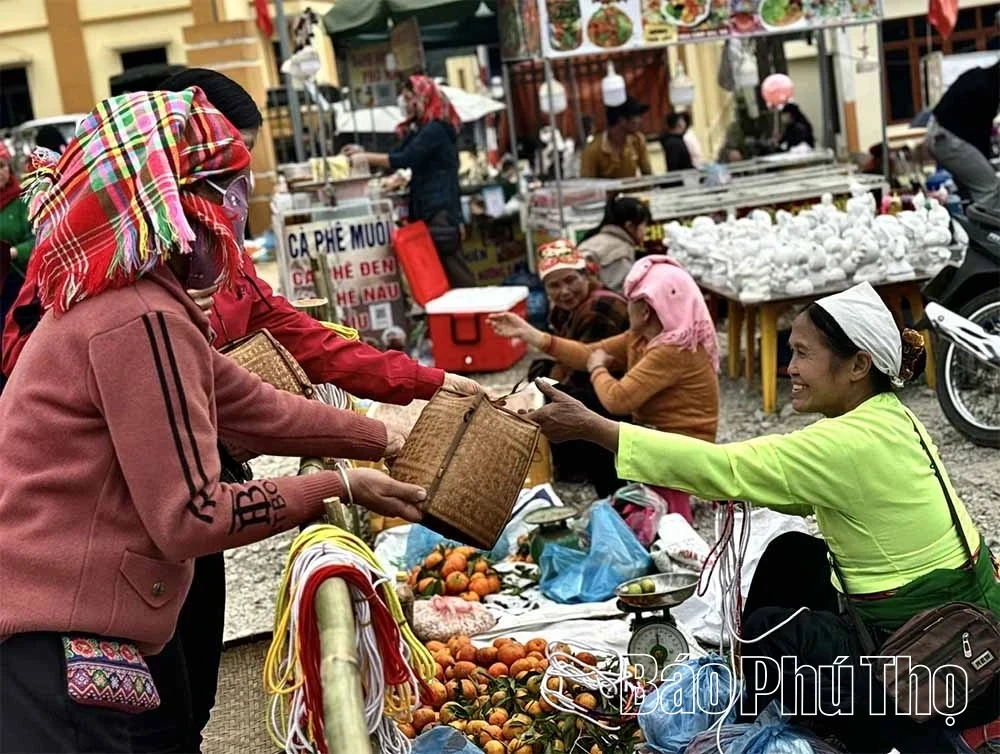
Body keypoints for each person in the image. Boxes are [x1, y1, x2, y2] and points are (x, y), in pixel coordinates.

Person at [0, 68, 479, 754]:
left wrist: (381, 437)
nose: (236, 206)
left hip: (74, 639)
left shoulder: (133, 298)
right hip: (64, 658)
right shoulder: (135, 317)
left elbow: (243, 403)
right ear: (173, 197)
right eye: (224, 186)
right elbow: (191, 516)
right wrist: (334, 485)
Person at [525, 281, 1000, 753]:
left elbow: (725, 466)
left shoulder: (846, 443)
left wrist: (597, 429)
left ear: (858, 365)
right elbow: (802, 492)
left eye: (802, 354)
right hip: (957, 635)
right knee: (791, 553)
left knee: (769, 630)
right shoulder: (891, 416)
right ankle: (758, 702)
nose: (789, 368)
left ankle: (838, 734)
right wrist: (750, 484)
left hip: (935, 676)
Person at [490, 255, 719, 519]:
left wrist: (598, 367)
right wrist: (529, 333)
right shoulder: (641, 336)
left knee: (585, 416)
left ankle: (620, 501)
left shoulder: (672, 349)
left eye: (631, 302)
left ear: (645, 311)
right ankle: (614, 494)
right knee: (562, 394)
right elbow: (587, 352)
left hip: (682, 447)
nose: (626, 306)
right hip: (655, 432)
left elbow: (617, 399)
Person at [516, 239, 629, 496]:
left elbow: (582, 366)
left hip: (616, 398)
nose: (564, 291)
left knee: (554, 396)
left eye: (570, 280)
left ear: (587, 275)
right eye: (554, 285)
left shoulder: (601, 307)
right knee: (541, 376)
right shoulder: (565, 311)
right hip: (597, 385)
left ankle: (587, 466)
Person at [346, 75, 476, 289]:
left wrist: (367, 158)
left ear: (423, 97)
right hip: (428, 209)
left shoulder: (435, 129)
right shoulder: (421, 128)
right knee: (438, 273)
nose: (405, 104)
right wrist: (363, 153)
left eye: (408, 98)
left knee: (454, 272)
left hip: (440, 210)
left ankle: (478, 314)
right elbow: (397, 154)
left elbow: (405, 159)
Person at [927, 60, 1000, 210]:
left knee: (970, 186)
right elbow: (980, 134)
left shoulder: (976, 75)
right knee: (990, 188)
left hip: (938, 133)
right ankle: (985, 226)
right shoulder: (987, 90)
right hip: (949, 138)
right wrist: (986, 161)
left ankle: (968, 218)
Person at [0, 141, 33, 394]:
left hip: (18, 282)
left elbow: (40, 238)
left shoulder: (22, 200)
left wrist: (15, 252)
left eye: (2, 166)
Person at [577, 195, 651, 293]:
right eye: (644, 226)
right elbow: (620, 294)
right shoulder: (619, 252)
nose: (645, 232)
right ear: (630, 226)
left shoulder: (593, 240)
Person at [579, 97, 652, 180]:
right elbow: (587, 185)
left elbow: (648, 176)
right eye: (636, 116)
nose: (640, 120)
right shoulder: (593, 150)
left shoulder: (638, 140)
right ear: (622, 120)